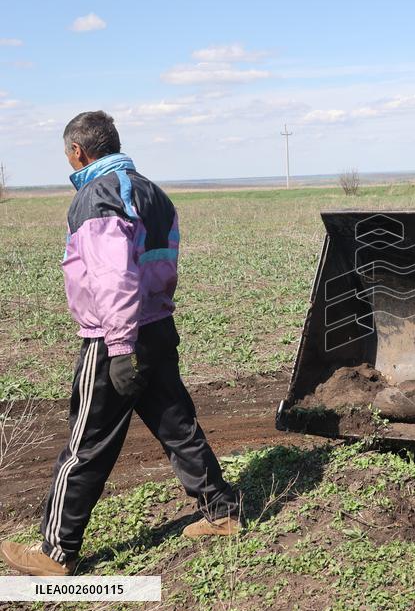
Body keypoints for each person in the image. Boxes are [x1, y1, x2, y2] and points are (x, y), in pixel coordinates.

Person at [1, 111, 240, 576]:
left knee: (86, 443)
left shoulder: (97, 194)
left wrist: (119, 345)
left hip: (115, 338)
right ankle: (223, 512)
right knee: (177, 426)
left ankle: (55, 553)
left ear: (79, 151)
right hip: (155, 328)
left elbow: (113, 276)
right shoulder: (152, 191)